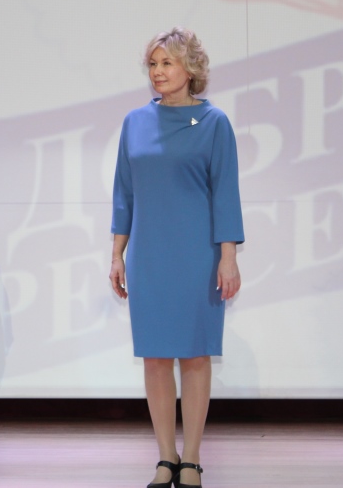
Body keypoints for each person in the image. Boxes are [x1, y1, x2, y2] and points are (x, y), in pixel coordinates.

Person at [108, 28, 244, 488]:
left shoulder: (214, 122)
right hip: (148, 255)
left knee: (196, 356)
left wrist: (228, 257)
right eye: (153, 64)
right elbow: (124, 193)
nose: (158, 72)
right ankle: (166, 457)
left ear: (191, 68)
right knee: (155, 357)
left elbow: (225, 193)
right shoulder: (134, 122)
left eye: (167, 63)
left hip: (198, 255)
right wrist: (117, 253)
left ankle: (192, 459)